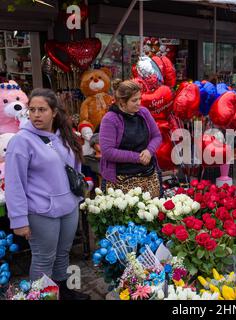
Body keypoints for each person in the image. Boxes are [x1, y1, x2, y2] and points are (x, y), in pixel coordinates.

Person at [5, 88, 90, 300]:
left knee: (63, 253)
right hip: (40, 212)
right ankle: (42, 296)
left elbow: (74, 167)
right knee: (44, 258)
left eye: (42, 109)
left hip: (68, 207)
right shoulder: (21, 141)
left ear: (54, 112)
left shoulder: (63, 135)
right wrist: (19, 220)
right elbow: (14, 183)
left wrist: (78, 196)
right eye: (32, 109)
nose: (36, 114)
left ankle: (63, 292)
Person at [99, 80, 162, 195]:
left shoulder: (143, 113)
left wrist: (149, 151)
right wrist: (138, 157)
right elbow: (107, 151)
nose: (139, 103)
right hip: (121, 181)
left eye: (140, 98)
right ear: (122, 102)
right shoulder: (110, 119)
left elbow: (157, 136)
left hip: (148, 176)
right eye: (134, 100)